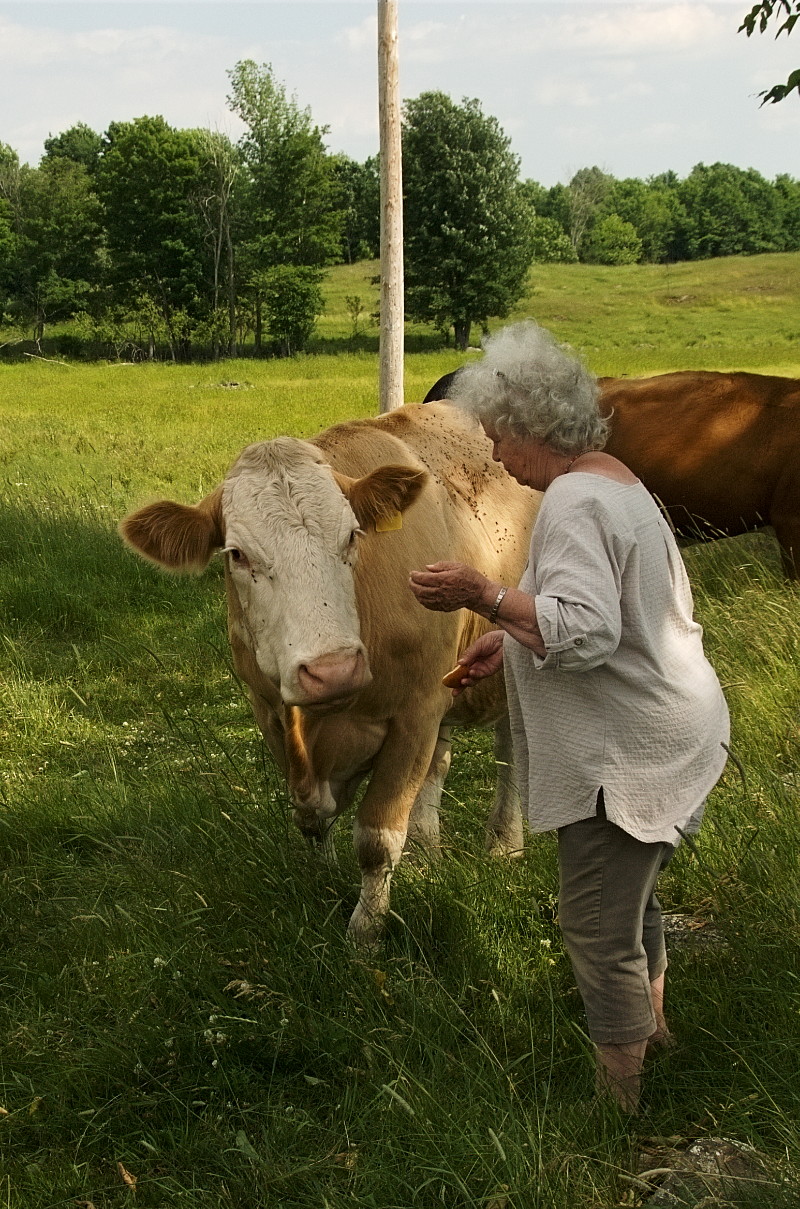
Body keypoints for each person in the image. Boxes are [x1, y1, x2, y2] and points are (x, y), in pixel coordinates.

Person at [409, 321, 729, 1112]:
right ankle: (654, 1035)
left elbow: (583, 631)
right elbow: (604, 613)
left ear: (525, 426)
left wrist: (481, 596)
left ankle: (618, 1107)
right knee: (634, 902)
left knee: (594, 925)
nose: (491, 451)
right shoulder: (612, 478)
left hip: (626, 756)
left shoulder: (576, 501)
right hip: (675, 727)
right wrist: (509, 645)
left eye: (493, 433)